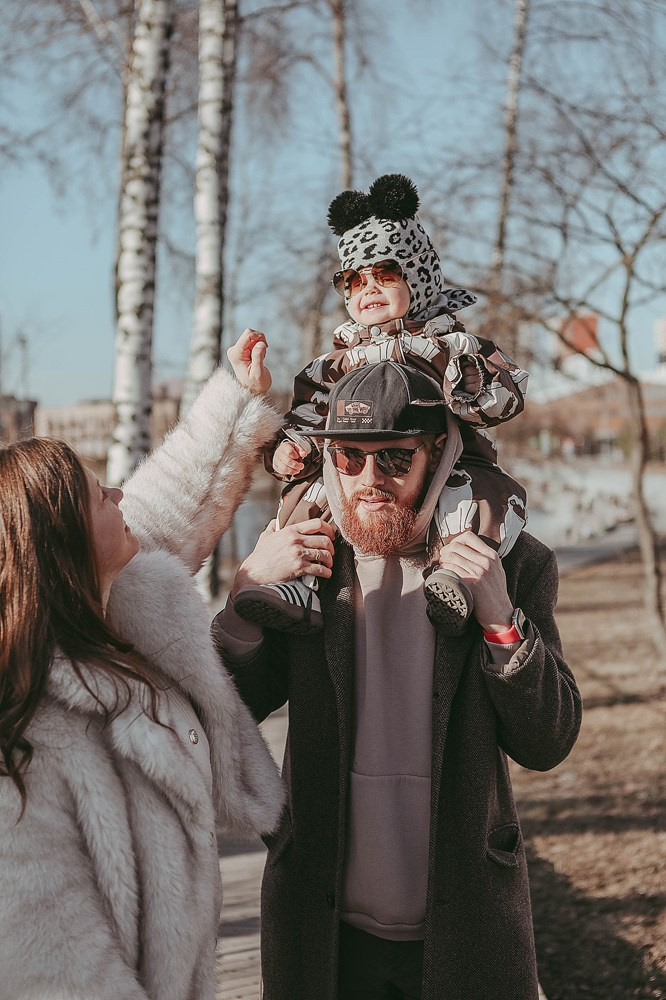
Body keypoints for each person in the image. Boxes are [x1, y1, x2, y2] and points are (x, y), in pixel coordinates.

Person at [213, 360, 582, 1000]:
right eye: (349, 458)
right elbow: (225, 710)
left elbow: (547, 741)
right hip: (322, 933)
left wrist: (500, 619)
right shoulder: (308, 559)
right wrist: (244, 593)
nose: (367, 480)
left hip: (464, 932)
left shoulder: (511, 560)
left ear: (438, 452)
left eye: (393, 458)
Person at [0, 330, 284, 1000]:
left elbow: (173, 498)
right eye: (102, 497)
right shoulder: (25, 732)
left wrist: (236, 398)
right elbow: (50, 953)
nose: (122, 498)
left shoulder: (111, 603)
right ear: (63, 540)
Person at [232, 173, 529, 638]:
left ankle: (458, 578)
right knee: (309, 494)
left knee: (481, 498)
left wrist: (467, 381)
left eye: (385, 276)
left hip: (455, 460)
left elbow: (504, 397)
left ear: (419, 279)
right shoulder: (337, 360)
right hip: (361, 469)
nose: (367, 288)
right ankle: (298, 584)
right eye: (353, 280)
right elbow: (311, 413)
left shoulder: (450, 343)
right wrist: (290, 449)